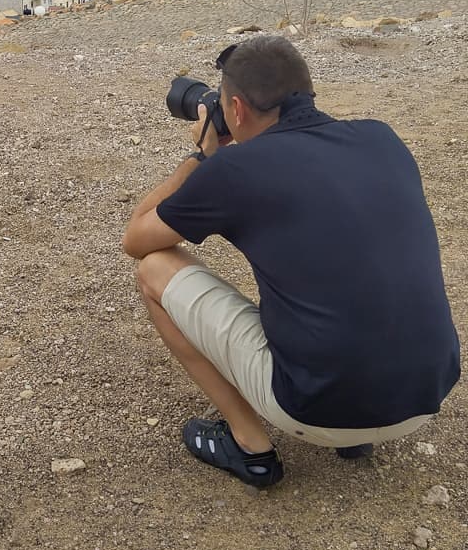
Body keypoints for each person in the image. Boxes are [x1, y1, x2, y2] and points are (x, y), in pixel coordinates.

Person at [122, 36, 460, 488]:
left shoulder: (234, 170)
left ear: (236, 110)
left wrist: (201, 156)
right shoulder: (382, 138)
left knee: (154, 270)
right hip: (423, 398)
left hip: (312, 410)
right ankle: (355, 438)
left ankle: (250, 448)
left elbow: (137, 238)